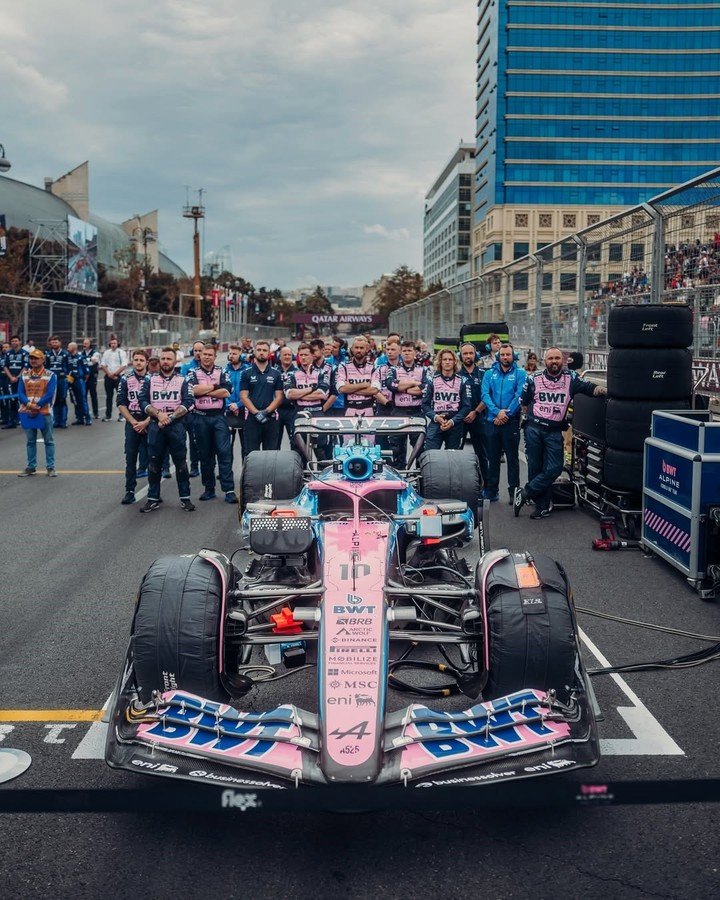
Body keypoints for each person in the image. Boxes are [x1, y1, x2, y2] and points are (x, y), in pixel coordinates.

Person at [514, 346, 607, 520]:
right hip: (533, 428)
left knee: (555, 468)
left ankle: (525, 492)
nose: (554, 361)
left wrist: (604, 391)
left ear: (562, 361)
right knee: (535, 467)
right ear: (545, 361)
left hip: (555, 430)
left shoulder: (570, 378)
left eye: (557, 358)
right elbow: (525, 403)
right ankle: (541, 507)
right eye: (550, 358)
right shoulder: (533, 378)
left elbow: (589, 388)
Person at [138, 347, 195, 513]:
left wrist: (169, 417)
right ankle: (153, 498)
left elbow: (189, 402)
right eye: (163, 358)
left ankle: (185, 498)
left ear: (175, 361)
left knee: (181, 463)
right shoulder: (149, 380)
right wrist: (158, 414)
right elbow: (142, 401)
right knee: (154, 463)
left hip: (176, 426)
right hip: (156, 426)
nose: (165, 361)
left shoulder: (184, 380)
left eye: (169, 359)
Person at [185, 343, 237, 503]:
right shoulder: (192, 372)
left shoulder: (222, 371)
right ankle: (209, 489)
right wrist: (215, 386)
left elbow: (226, 391)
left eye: (210, 354)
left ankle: (229, 490)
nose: (207, 357)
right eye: (204, 354)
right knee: (205, 455)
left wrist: (204, 389)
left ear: (215, 357)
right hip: (200, 417)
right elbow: (192, 390)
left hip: (219, 417)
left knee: (224, 453)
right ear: (200, 356)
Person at [480, 342, 526, 503]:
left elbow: (520, 395)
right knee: (492, 458)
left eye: (508, 354)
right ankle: (492, 491)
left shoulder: (521, 373)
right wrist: (496, 412)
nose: (506, 357)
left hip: (510, 421)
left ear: (514, 356)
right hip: (492, 421)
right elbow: (485, 395)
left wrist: (506, 413)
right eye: (503, 354)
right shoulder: (489, 374)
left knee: (512, 459)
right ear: (498, 356)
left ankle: (514, 493)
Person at [385, 339, 427, 467]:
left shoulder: (423, 370)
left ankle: (420, 478)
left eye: (410, 351)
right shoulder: (392, 370)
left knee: (420, 449)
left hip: (417, 412)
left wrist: (403, 387)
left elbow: (425, 388)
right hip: (398, 412)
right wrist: (414, 384)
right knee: (396, 448)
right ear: (400, 353)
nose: (407, 353)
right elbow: (391, 385)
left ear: (415, 353)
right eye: (404, 351)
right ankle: (398, 477)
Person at [117, 349, 151, 505]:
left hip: (150, 421)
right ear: (132, 361)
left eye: (141, 360)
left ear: (147, 362)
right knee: (130, 457)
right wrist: (133, 422)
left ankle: (154, 490)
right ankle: (129, 491)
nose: (138, 363)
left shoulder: (153, 379)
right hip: (132, 421)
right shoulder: (125, 379)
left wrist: (146, 422)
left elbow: (159, 405)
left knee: (153, 457)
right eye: (136, 360)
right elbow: (121, 403)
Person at [17, 348, 58, 477]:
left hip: (44, 412)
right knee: (30, 441)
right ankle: (31, 467)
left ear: (43, 360)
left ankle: (50, 467)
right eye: (31, 358)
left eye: (36, 358)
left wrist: (37, 405)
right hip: (28, 412)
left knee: (49, 441)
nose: (33, 360)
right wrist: (29, 405)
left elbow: (50, 394)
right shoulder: (24, 375)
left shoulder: (50, 375)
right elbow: (20, 393)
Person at [239, 339, 284, 454]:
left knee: (270, 455)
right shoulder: (246, 373)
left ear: (269, 353)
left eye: (264, 350)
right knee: (251, 454)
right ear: (254, 352)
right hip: (252, 419)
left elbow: (279, 397)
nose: (261, 352)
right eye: (258, 350)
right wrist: (255, 413)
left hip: (271, 418)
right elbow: (244, 396)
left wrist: (266, 411)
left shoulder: (276, 373)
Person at [284, 343, 329, 455]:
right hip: (299, 413)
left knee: (321, 450)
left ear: (312, 356)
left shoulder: (322, 373)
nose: (303, 357)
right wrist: (311, 389)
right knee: (298, 450)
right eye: (301, 355)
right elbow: (289, 394)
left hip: (317, 412)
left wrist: (299, 394)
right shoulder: (292, 374)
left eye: (306, 355)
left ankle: (320, 472)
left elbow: (322, 394)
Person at [422, 348, 471, 450]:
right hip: (436, 421)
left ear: (454, 362)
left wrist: (453, 421)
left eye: (450, 359)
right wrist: (435, 417)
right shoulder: (432, 380)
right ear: (440, 362)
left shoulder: (463, 381)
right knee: (430, 454)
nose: (447, 362)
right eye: (444, 359)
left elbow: (467, 406)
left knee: (453, 458)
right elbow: (425, 405)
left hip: (455, 423)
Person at [459, 341, 489, 488]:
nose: (468, 356)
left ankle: (487, 487)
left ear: (475, 354)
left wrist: (475, 411)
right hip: (460, 419)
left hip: (479, 417)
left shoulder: (484, 374)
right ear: (460, 355)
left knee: (482, 454)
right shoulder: (456, 374)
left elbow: (488, 396)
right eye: (465, 353)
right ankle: (456, 485)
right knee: (455, 453)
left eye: (471, 353)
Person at [180, 340, 204, 477]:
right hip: (189, 410)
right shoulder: (186, 367)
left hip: (204, 409)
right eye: (196, 350)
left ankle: (203, 464)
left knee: (200, 440)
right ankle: (193, 466)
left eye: (200, 350)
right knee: (188, 440)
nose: (198, 353)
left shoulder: (209, 367)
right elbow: (185, 387)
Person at [224, 343, 248, 462]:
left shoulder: (248, 370)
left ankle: (247, 472)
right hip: (228, 411)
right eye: (230, 353)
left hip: (245, 411)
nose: (232, 356)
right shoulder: (224, 371)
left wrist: (238, 404)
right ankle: (227, 471)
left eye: (235, 354)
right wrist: (229, 404)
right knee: (227, 446)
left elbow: (250, 392)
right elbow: (221, 390)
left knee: (246, 446)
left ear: (241, 355)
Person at [2, 335, 28, 429]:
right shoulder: (8, 353)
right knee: (12, 400)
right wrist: (11, 377)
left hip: (21, 381)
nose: (14, 342)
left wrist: (17, 377)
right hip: (11, 381)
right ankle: (13, 421)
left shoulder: (25, 353)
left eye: (16, 341)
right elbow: (5, 366)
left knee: (23, 400)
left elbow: (25, 367)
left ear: (20, 342)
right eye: (12, 341)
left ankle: (25, 420)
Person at [100, 336, 128, 421]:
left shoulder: (121, 352)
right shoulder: (106, 353)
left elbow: (124, 365)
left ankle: (122, 415)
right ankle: (108, 415)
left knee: (120, 396)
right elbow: (103, 364)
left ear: (117, 344)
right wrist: (109, 374)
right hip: (108, 377)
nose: (113, 345)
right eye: (111, 343)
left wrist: (116, 373)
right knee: (109, 396)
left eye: (114, 343)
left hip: (119, 376)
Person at [45, 335, 71, 428]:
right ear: (50, 343)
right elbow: (46, 367)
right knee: (54, 400)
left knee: (62, 399)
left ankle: (63, 421)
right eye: (52, 342)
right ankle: (56, 421)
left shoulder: (66, 354)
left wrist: (68, 380)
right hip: (52, 379)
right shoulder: (48, 354)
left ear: (60, 343)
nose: (54, 344)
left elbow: (69, 368)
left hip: (62, 379)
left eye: (56, 342)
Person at [276, 345, 297, 449]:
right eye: (285, 355)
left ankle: (297, 465)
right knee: (274, 442)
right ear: (280, 357)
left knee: (295, 442)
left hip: (292, 410)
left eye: (289, 354)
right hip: (276, 411)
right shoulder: (274, 372)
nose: (287, 357)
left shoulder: (298, 372)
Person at [67, 342, 92, 426]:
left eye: (69, 347)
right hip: (70, 381)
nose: (67, 349)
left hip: (79, 381)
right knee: (74, 400)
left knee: (82, 399)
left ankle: (88, 418)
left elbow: (87, 372)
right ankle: (79, 418)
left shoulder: (81, 357)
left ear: (74, 348)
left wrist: (82, 380)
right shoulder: (67, 357)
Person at [80, 338, 101, 419]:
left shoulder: (95, 353)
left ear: (90, 344)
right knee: (83, 395)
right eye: (83, 343)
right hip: (84, 376)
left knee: (93, 394)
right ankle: (85, 413)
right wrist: (88, 359)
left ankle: (96, 413)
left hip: (92, 376)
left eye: (86, 343)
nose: (84, 345)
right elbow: (84, 362)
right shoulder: (82, 353)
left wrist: (86, 359)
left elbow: (94, 361)